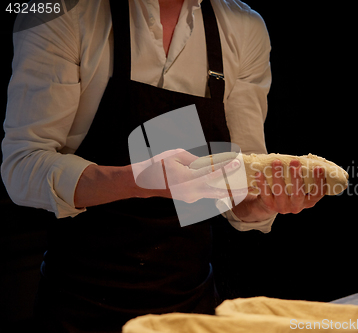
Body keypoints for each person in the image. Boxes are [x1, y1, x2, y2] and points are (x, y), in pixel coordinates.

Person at [1, 0, 327, 331]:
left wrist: (265, 200)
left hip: (190, 310)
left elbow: (239, 185)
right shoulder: (67, 14)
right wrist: (140, 181)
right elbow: (22, 166)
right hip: (81, 310)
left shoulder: (243, 27)